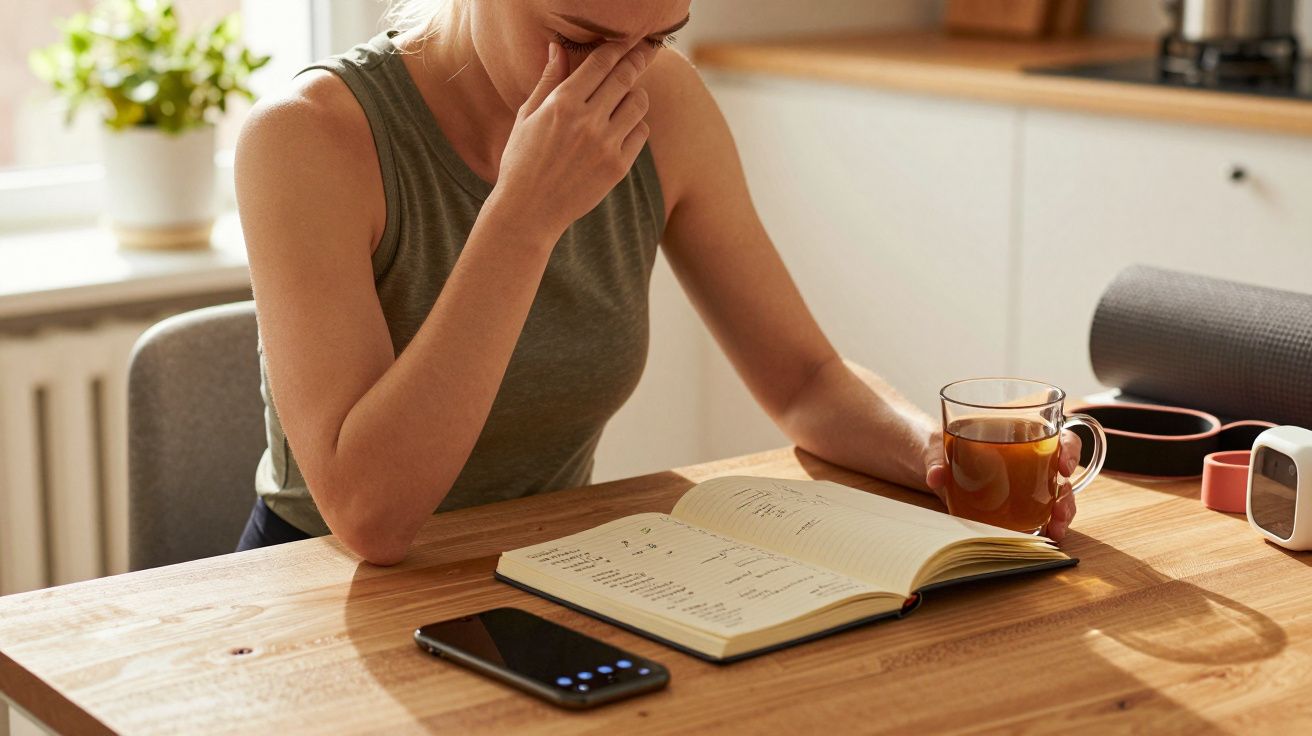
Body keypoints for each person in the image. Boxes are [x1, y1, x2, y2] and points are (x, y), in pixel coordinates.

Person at [233, 0, 1080, 563]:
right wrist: (522, 218)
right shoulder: (304, 142)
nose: (624, 74)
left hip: (544, 568)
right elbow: (370, 516)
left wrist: (931, 453)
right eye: (585, 38)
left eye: (658, 38)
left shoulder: (664, 103)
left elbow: (804, 379)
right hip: (323, 589)